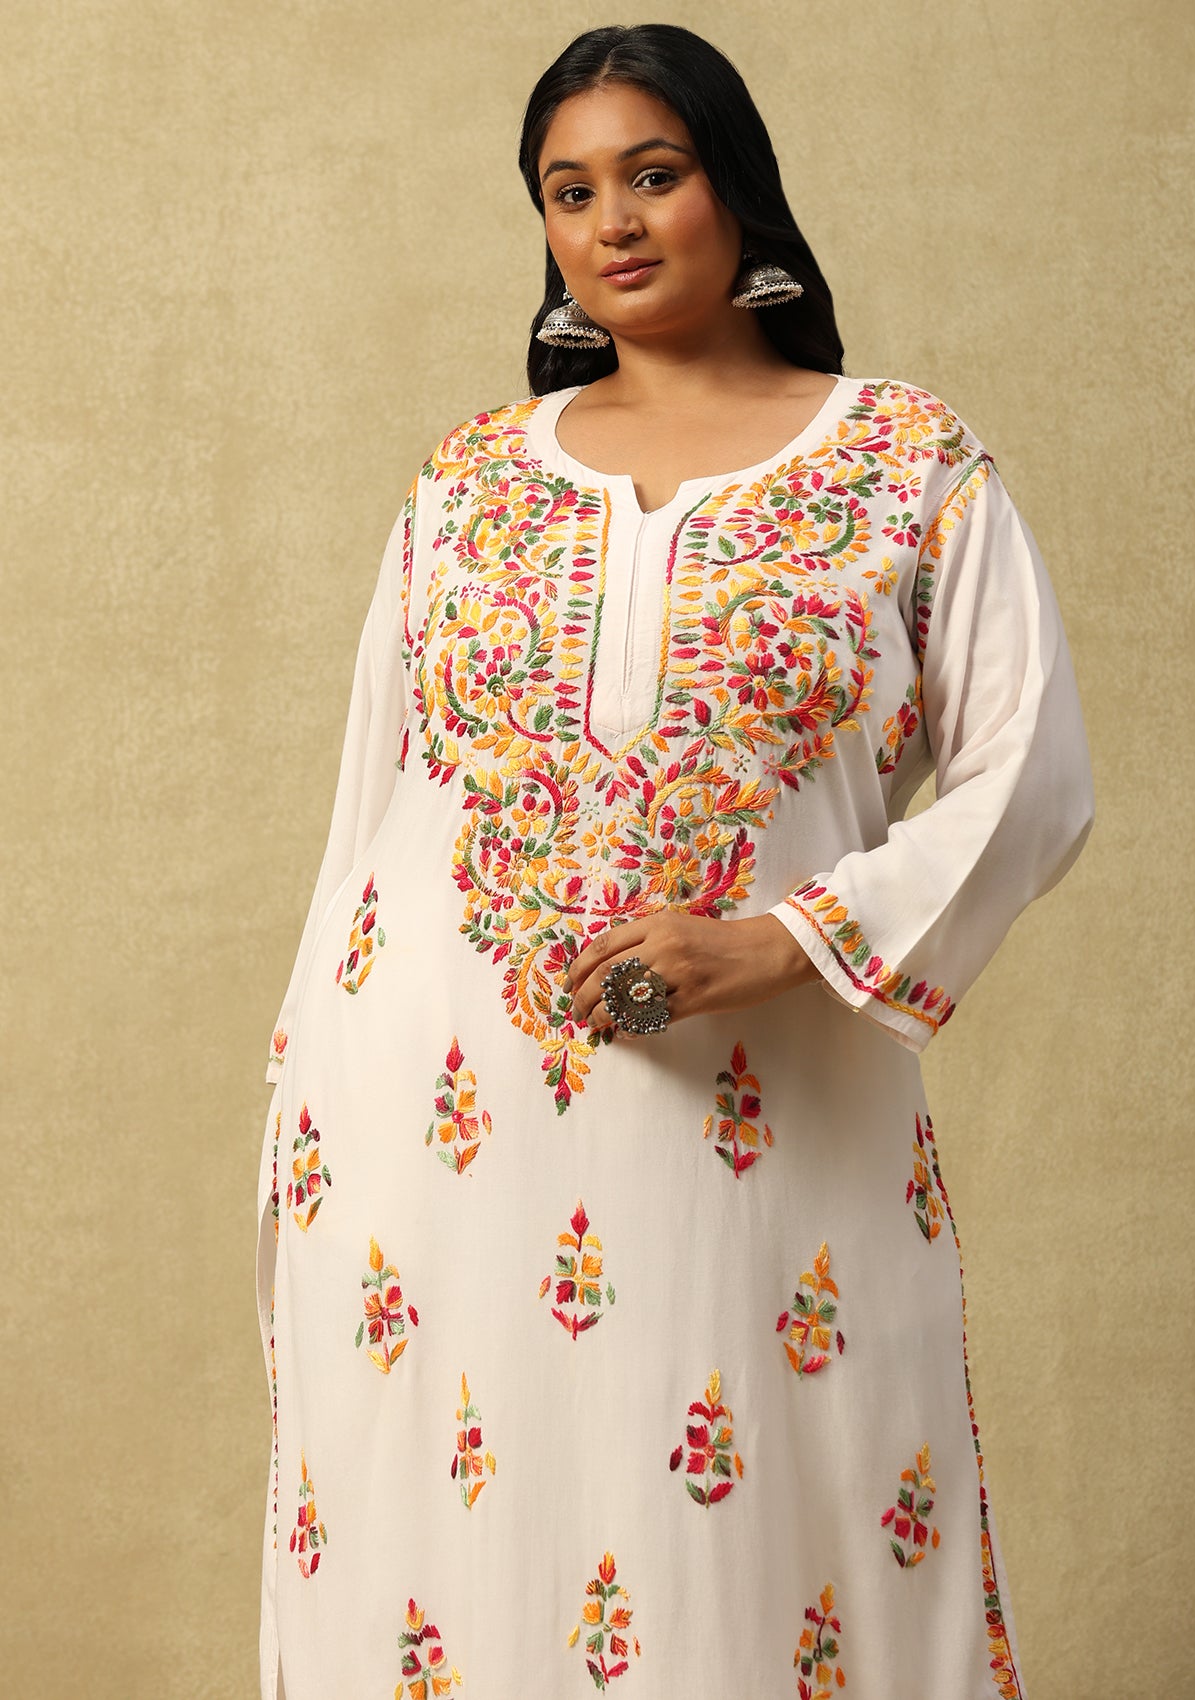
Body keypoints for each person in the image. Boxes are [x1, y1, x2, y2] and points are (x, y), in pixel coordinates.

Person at [253, 23, 1093, 1699]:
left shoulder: (902, 464)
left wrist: (786, 939)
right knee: (451, 1546)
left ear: (738, 189)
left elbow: (1032, 775)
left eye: (654, 174)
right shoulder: (466, 484)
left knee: (759, 1552)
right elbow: (373, 808)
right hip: (436, 1126)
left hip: (760, 1118)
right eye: (569, 192)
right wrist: (299, 1109)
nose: (614, 223)